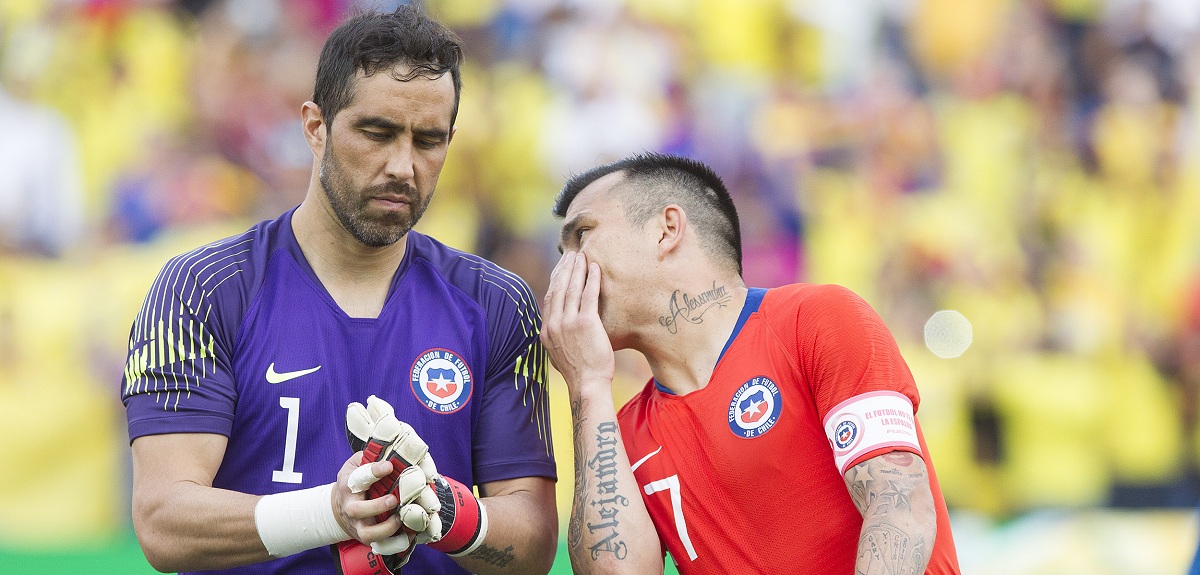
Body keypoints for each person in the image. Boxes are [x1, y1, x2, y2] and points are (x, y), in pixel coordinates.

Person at [121, 6, 557, 575]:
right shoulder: (200, 290)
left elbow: (534, 547)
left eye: (429, 141)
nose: (403, 165)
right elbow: (163, 520)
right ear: (315, 126)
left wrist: (451, 513)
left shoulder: (498, 304)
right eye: (377, 133)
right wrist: (331, 513)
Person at [540, 152, 961, 574]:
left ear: (666, 229)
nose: (564, 271)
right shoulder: (622, 433)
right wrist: (588, 386)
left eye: (582, 235)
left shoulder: (816, 320)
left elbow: (899, 507)